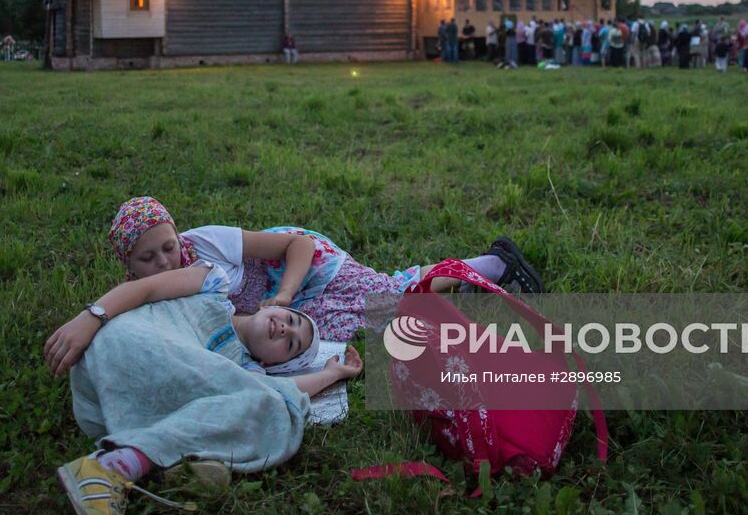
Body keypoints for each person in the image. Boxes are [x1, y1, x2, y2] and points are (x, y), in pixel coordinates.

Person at [48, 250, 359, 511]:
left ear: (270, 362)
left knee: (262, 400)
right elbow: (147, 289)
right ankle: (130, 465)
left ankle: (128, 462)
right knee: (270, 402)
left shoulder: (245, 372)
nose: (285, 330)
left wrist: (332, 374)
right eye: (292, 320)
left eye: (291, 345)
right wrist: (91, 317)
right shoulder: (212, 284)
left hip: (109, 412)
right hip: (119, 348)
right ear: (273, 306)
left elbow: (284, 389)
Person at [64, 197, 544, 349]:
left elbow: (297, 246)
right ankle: (468, 283)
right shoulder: (150, 292)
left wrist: (286, 295)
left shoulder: (203, 243)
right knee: (367, 323)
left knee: (388, 295)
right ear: (128, 266)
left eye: (167, 247)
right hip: (284, 306)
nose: (166, 261)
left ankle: (496, 267)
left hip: (299, 268)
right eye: (149, 259)